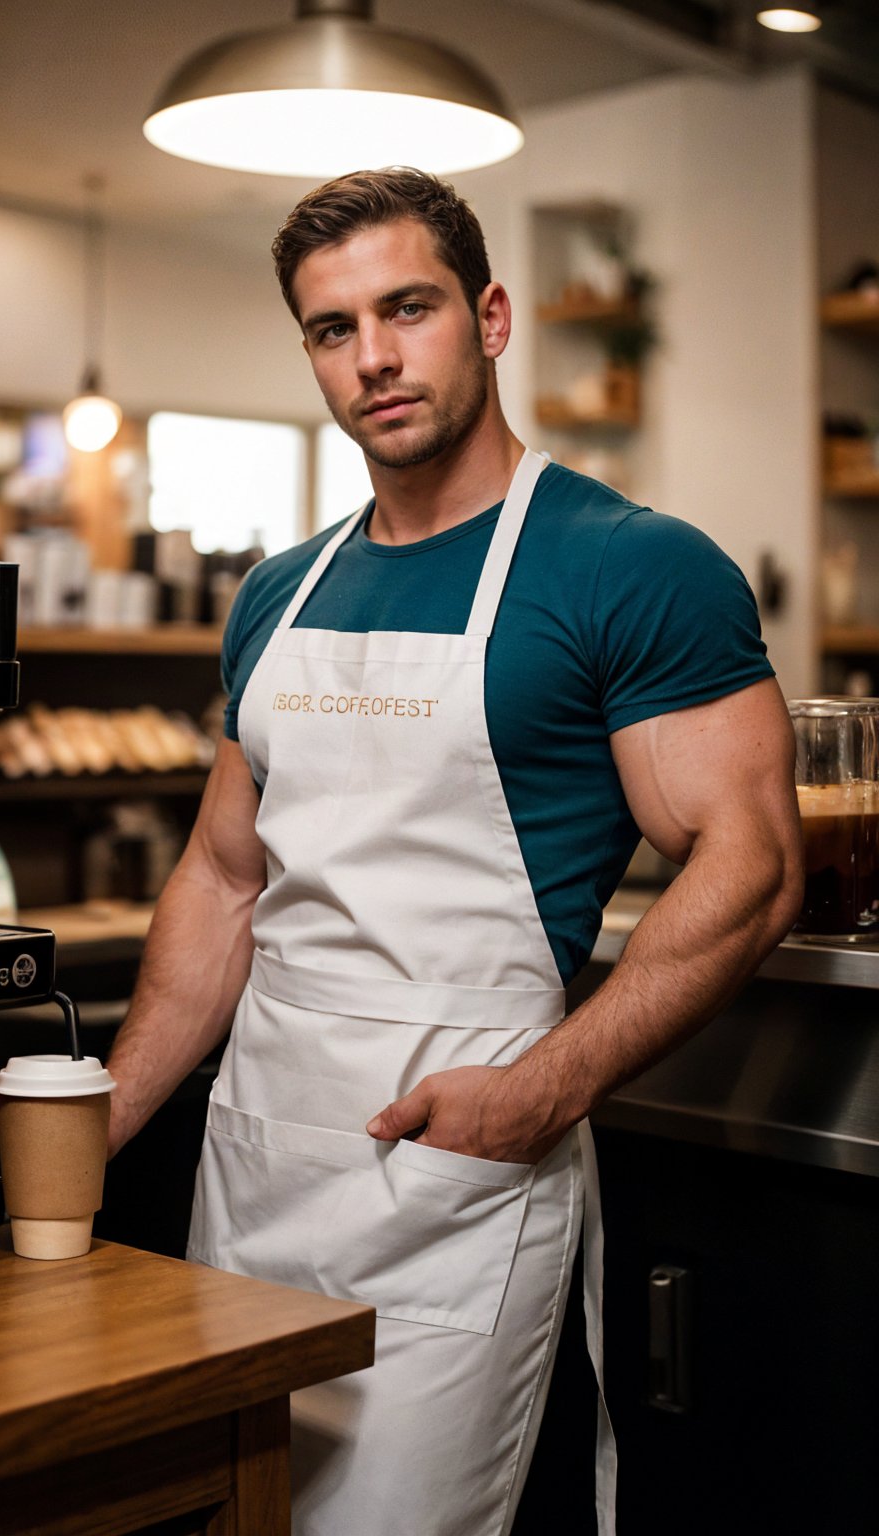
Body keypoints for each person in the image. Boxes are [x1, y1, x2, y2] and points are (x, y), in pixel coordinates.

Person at [107, 168, 803, 1536]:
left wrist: (547, 1092)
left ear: (488, 316)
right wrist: (99, 1119)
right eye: (331, 328)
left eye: (407, 308)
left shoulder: (630, 567)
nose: (372, 356)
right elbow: (225, 879)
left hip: (454, 1174)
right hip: (252, 1168)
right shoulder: (278, 589)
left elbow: (752, 863)